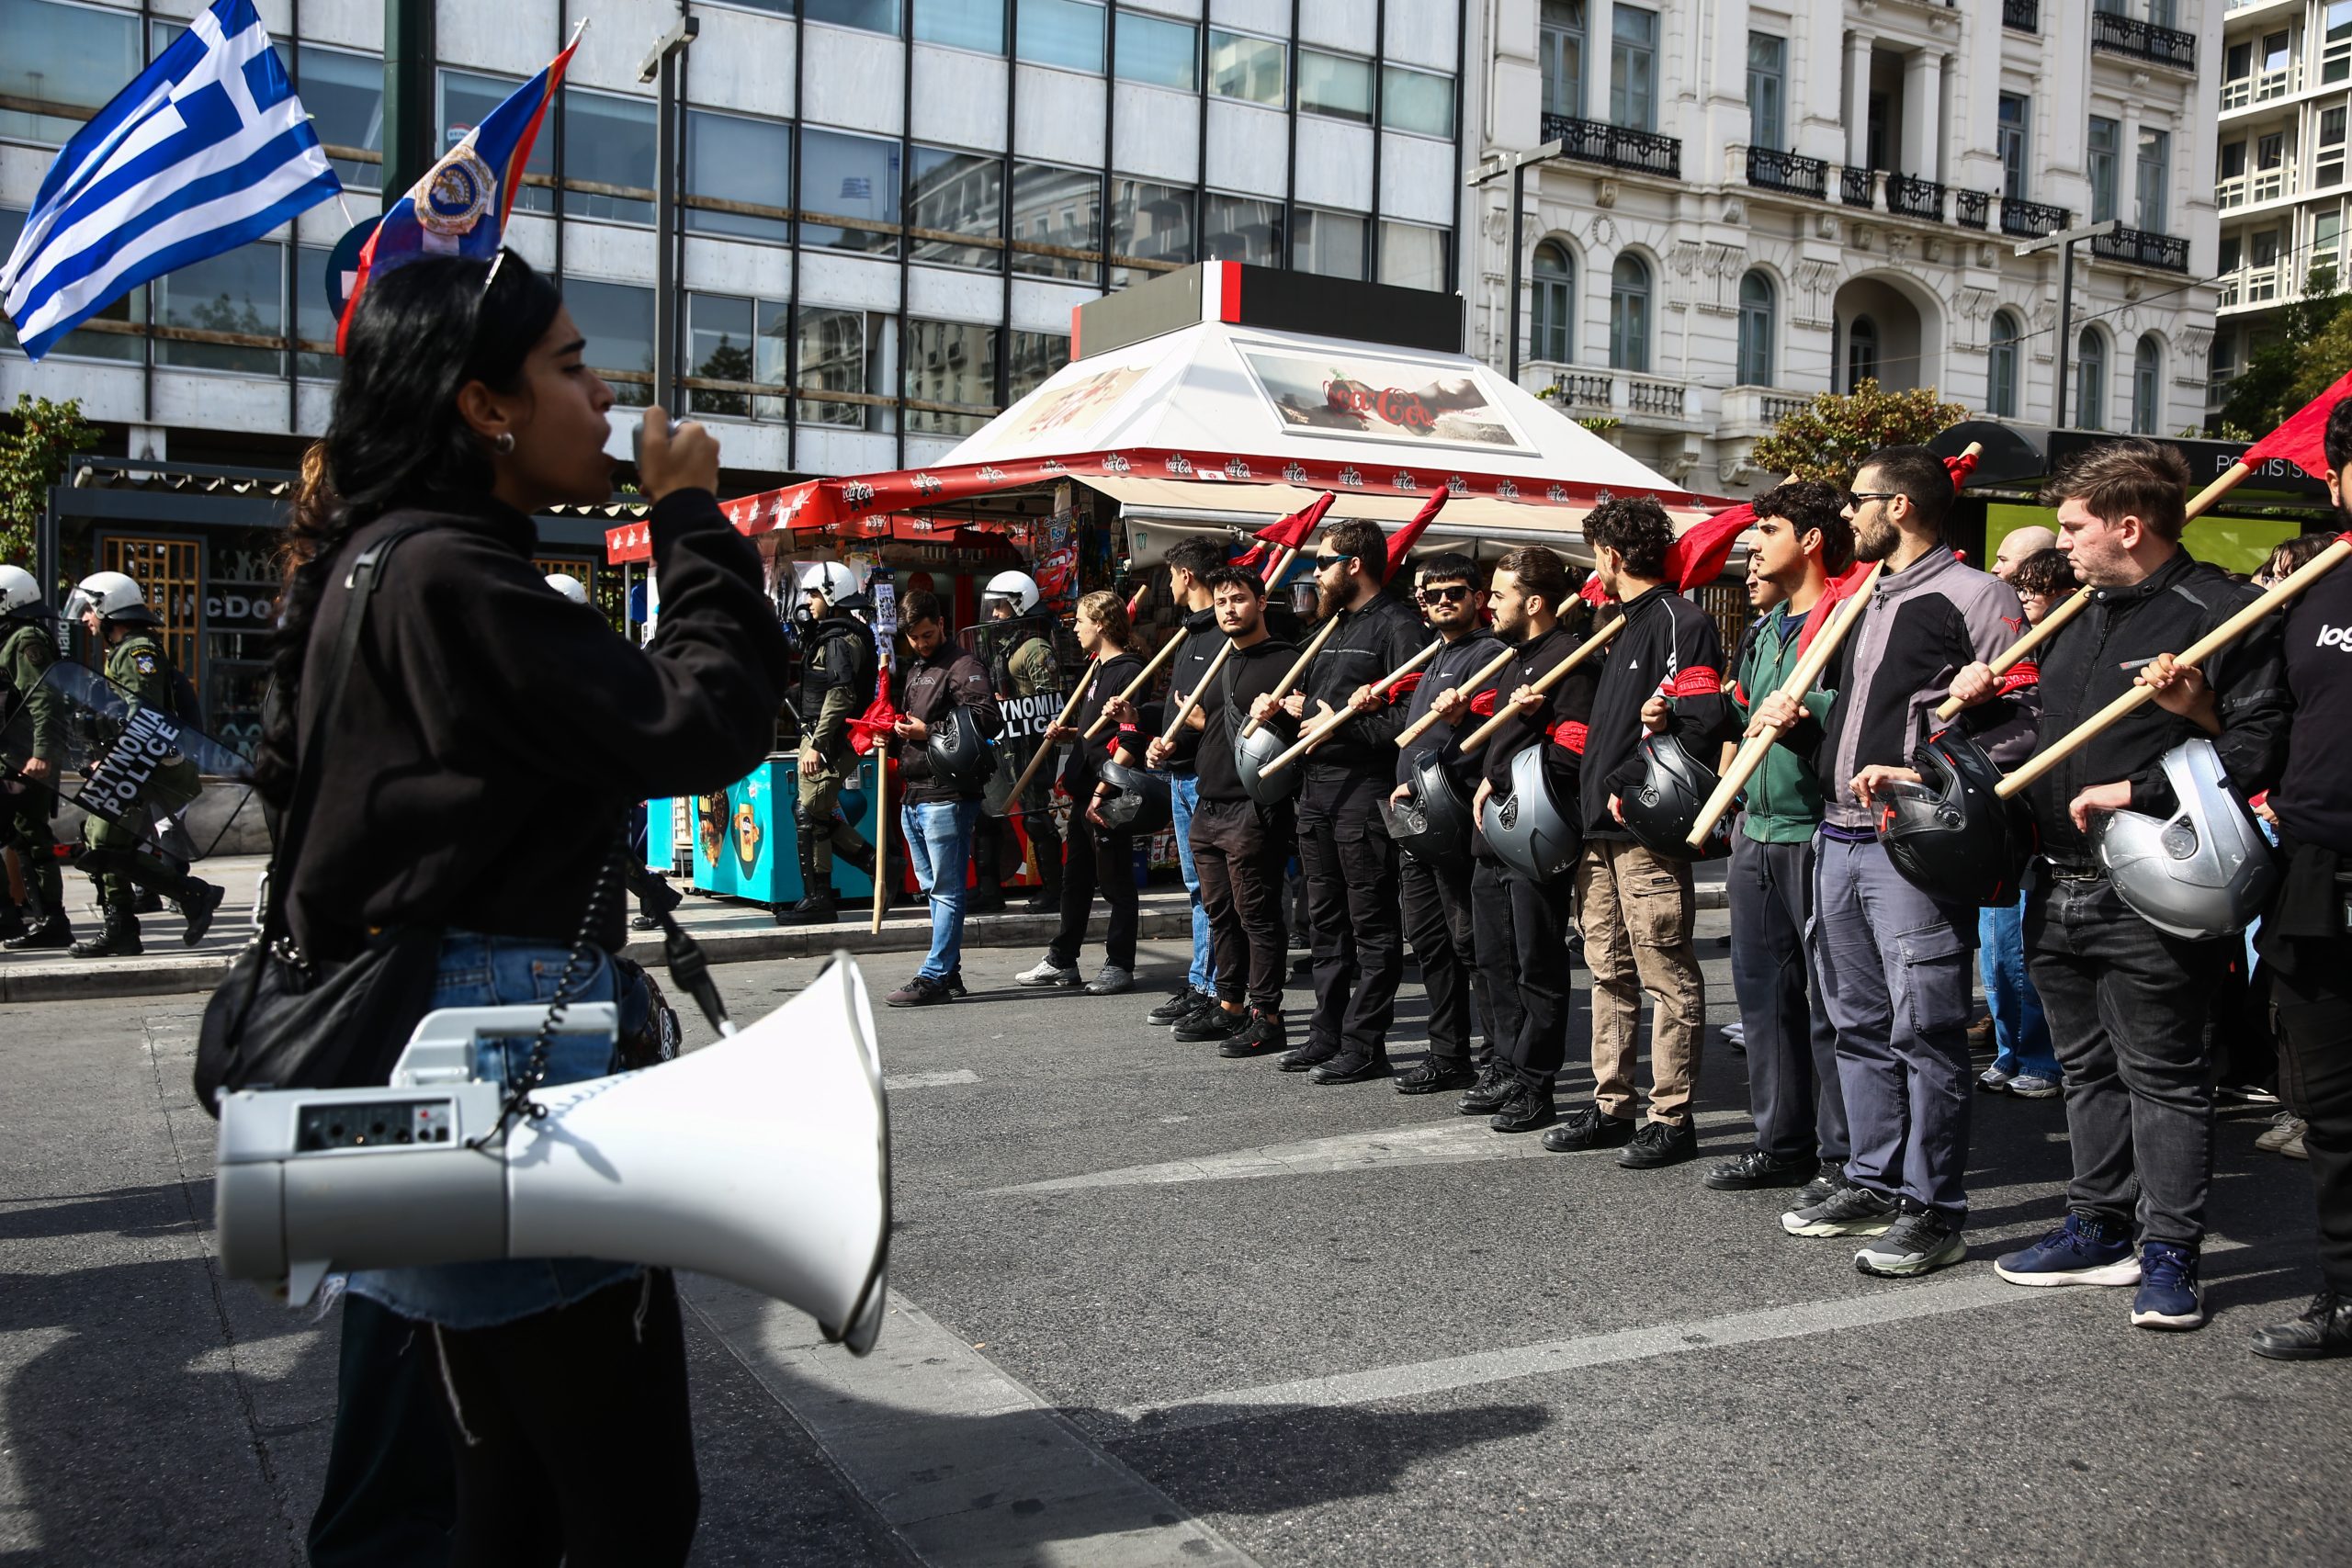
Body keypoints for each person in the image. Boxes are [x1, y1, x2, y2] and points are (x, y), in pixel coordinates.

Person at [277, 251, 789, 1564]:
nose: (605, 392)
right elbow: (700, 719)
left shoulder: (376, 564)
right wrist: (689, 518)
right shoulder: (457, 574)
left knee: (503, 1493)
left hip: (432, 1064)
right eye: (568, 364)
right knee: (625, 1505)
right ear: (483, 407)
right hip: (512, 1073)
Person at [1950, 440, 2289, 1332]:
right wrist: (1990, 704)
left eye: (2072, 528)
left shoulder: (2222, 612)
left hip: (2157, 881)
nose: (2059, 546)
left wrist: (2142, 783)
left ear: (2127, 528)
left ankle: (2169, 1253)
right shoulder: (2074, 613)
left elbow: (2256, 746)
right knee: (2084, 1068)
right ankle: (2096, 1226)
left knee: (2164, 1076)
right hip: (2054, 878)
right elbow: (2053, 729)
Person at [1751, 445, 2038, 1278]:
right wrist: (1804, 727)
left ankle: (1934, 1207)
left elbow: (2027, 720)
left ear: (1901, 506)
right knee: (1855, 1023)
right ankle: (1872, 1178)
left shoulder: (1976, 596)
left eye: (1857, 500)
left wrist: (1929, 769)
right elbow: (1855, 721)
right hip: (1835, 835)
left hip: (1907, 846)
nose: (1847, 513)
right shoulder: (1865, 596)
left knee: (1927, 1029)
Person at [1544, 495, 1733, 1169]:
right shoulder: (1616, 625)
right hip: (1598, 831)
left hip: (1644, 828)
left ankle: (1671, 1116)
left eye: (1596, 553)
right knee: (1608, 973)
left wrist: (1631, 778)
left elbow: (1704, 717)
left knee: (1664, 972)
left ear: (1611, 555)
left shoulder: (1682, 620)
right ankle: (1611, 1103)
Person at [1703, 480, 1855, 1197]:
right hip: (1754, 835)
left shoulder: (1848, 618)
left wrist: (1810, 707)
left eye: (1767, 528)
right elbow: (1738, 717)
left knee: (1829, 1004)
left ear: (1812, 539)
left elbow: (1865, 709)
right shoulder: (1764, 631)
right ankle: (1780, 1141)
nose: (1754, 542)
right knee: (1762, 1000)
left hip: (1817, 831)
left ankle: (1844, 1155)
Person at [2240, 412, 2352, 1359]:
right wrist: (2198, 707)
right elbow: (2272, 722)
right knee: (2333, 1112)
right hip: (2315, 875)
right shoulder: (2312, 586)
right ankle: (2346, 1295)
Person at [1433, 547, 1593, 1133]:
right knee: (1493, 961)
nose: (1489, 604)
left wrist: (1529, 751)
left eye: (1498, 594)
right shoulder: (1509, 661)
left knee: (1537, 966)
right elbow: (1492, 741)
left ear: (1534, 601)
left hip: (1534, 836)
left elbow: (1573, 751)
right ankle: (1503, 1062)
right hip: (1490, 834)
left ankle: (1536, 1083)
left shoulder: (1569, 662)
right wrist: (1477, 758)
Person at [1271, 516, 1428, 1082]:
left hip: (1365, 792)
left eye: (1323, 561)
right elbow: (1318, 706)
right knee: (1324, 923)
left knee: (1372, 924)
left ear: (1353, 565)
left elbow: (1411, 719)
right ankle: (1326, 1033)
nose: (1315, 570)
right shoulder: (1330, 627)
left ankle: (1366, 1043)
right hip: (1315, 791)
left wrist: (1338, 728)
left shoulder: (1399, 628)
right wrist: (1294, 713)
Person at [1154, 565, 1298, 1053]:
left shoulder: (1289, 661)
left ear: (1260, 601)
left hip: (1252, 808)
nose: (1229, 610)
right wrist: (1170, 745)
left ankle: (1268, 1015)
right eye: (1220, 602)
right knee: (1220, 915)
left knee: (1256, 916)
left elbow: (1300, 732)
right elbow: (1212, 727)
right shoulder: (1222, 660)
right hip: (1208, 804)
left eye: (1238, 599)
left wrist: (1286, 711)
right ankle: (1230, 1004)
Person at [58, 571, 224, 956]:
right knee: (99, 837)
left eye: (90, 609)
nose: (86, 618)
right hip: (132, 763)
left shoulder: (138, 652)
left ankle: (191, 895)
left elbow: (143, 716)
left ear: (108, 608)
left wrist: (114, 759)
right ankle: (128, 926)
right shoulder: (124, 650)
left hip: (143, 765)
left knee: (102, 839)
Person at [1387, 551, 1503, 1094]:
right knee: (1430, 941)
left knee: (1470, 943)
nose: (1440, 603)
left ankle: (1496, 1056)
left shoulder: (1493, 654)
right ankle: (1447, 1053)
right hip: (1414, 819)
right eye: (1430, 596)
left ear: (1478, 597)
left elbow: (1496, 734)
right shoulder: (1436, 653)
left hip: (1456, 818)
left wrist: (1468, 719)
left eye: (1452, 593)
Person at [1974, 545, 2075, 1100]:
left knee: (2027, 948)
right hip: (2003, 817)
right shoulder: (2009, 646)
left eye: (2040, 587)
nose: (2029, 597)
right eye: (2025, 586)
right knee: (1997, 948)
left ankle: (2041, 1057)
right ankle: (2009, 1049)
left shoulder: (2072, 651)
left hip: (2048, 824)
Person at [1015, 590, 1145, 995]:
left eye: (1080, 620)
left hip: (1109, 792)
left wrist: (1105, 789)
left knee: (1116, 880)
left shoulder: (1130, 671)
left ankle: (1120, 963)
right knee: (1076, 878)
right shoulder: (1096, 669)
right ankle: (1062, 959)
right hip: (1085, 787)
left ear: (1101, 624)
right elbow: (1099, 732)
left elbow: (1131, 735)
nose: (1074, 627)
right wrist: (1069, 733)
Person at [887, 590, 1005, 1007]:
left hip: (947, 794)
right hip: (914, 793)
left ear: (941, 622)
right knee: (932, 889)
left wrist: (928, 730)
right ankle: (949, 972)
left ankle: (936, 974)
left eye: (926, 633)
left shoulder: (963, 664)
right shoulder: (918, 668)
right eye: (913, 637)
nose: (921, 642)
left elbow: (988, 718)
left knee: (945, 889)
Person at [1140, 536, 1229, 1029]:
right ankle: (1201, 981)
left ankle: (1215, 986)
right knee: (1196, 887)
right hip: (1179, 773)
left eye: (1172, 575)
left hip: (1205, 777)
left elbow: (1222, 715)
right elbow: (1178, 710)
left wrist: (1196, 729)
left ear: (1187, 576)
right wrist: (1150, 728)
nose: (1169, 583)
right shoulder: (1190, 634)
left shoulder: (1221, 635)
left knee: (1212, 888)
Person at [777, 561, 880, 925]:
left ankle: (825, 894)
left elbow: (840, 694)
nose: (808, 600)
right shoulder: (842, 634)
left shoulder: (838, 639)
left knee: (809, 812)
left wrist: (819, 745)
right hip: (827, 735)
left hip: (830, 739)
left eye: (814, 593)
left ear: (832, 594)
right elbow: (821, 689)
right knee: (811, 812)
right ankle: (829, 890)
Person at [973, 570, 1059, 915]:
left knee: (1036, 818)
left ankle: (1056, 889)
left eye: (1000, 608)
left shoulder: (1035, 649)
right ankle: (988, 890)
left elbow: (1050, 704)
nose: (994, 615)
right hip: (1004, 746)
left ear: (1019, 605)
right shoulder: (1007, 645)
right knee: (988, 814)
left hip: (1028, 747)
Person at [0, 565, 72, 949]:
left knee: (32, 837)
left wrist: (42, 753)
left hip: (25, 757)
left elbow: (45, 698)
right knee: (26, 838)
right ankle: (24, 918)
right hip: (13, 755)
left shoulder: (25, 638)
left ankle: (48, 921)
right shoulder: (9, 637)